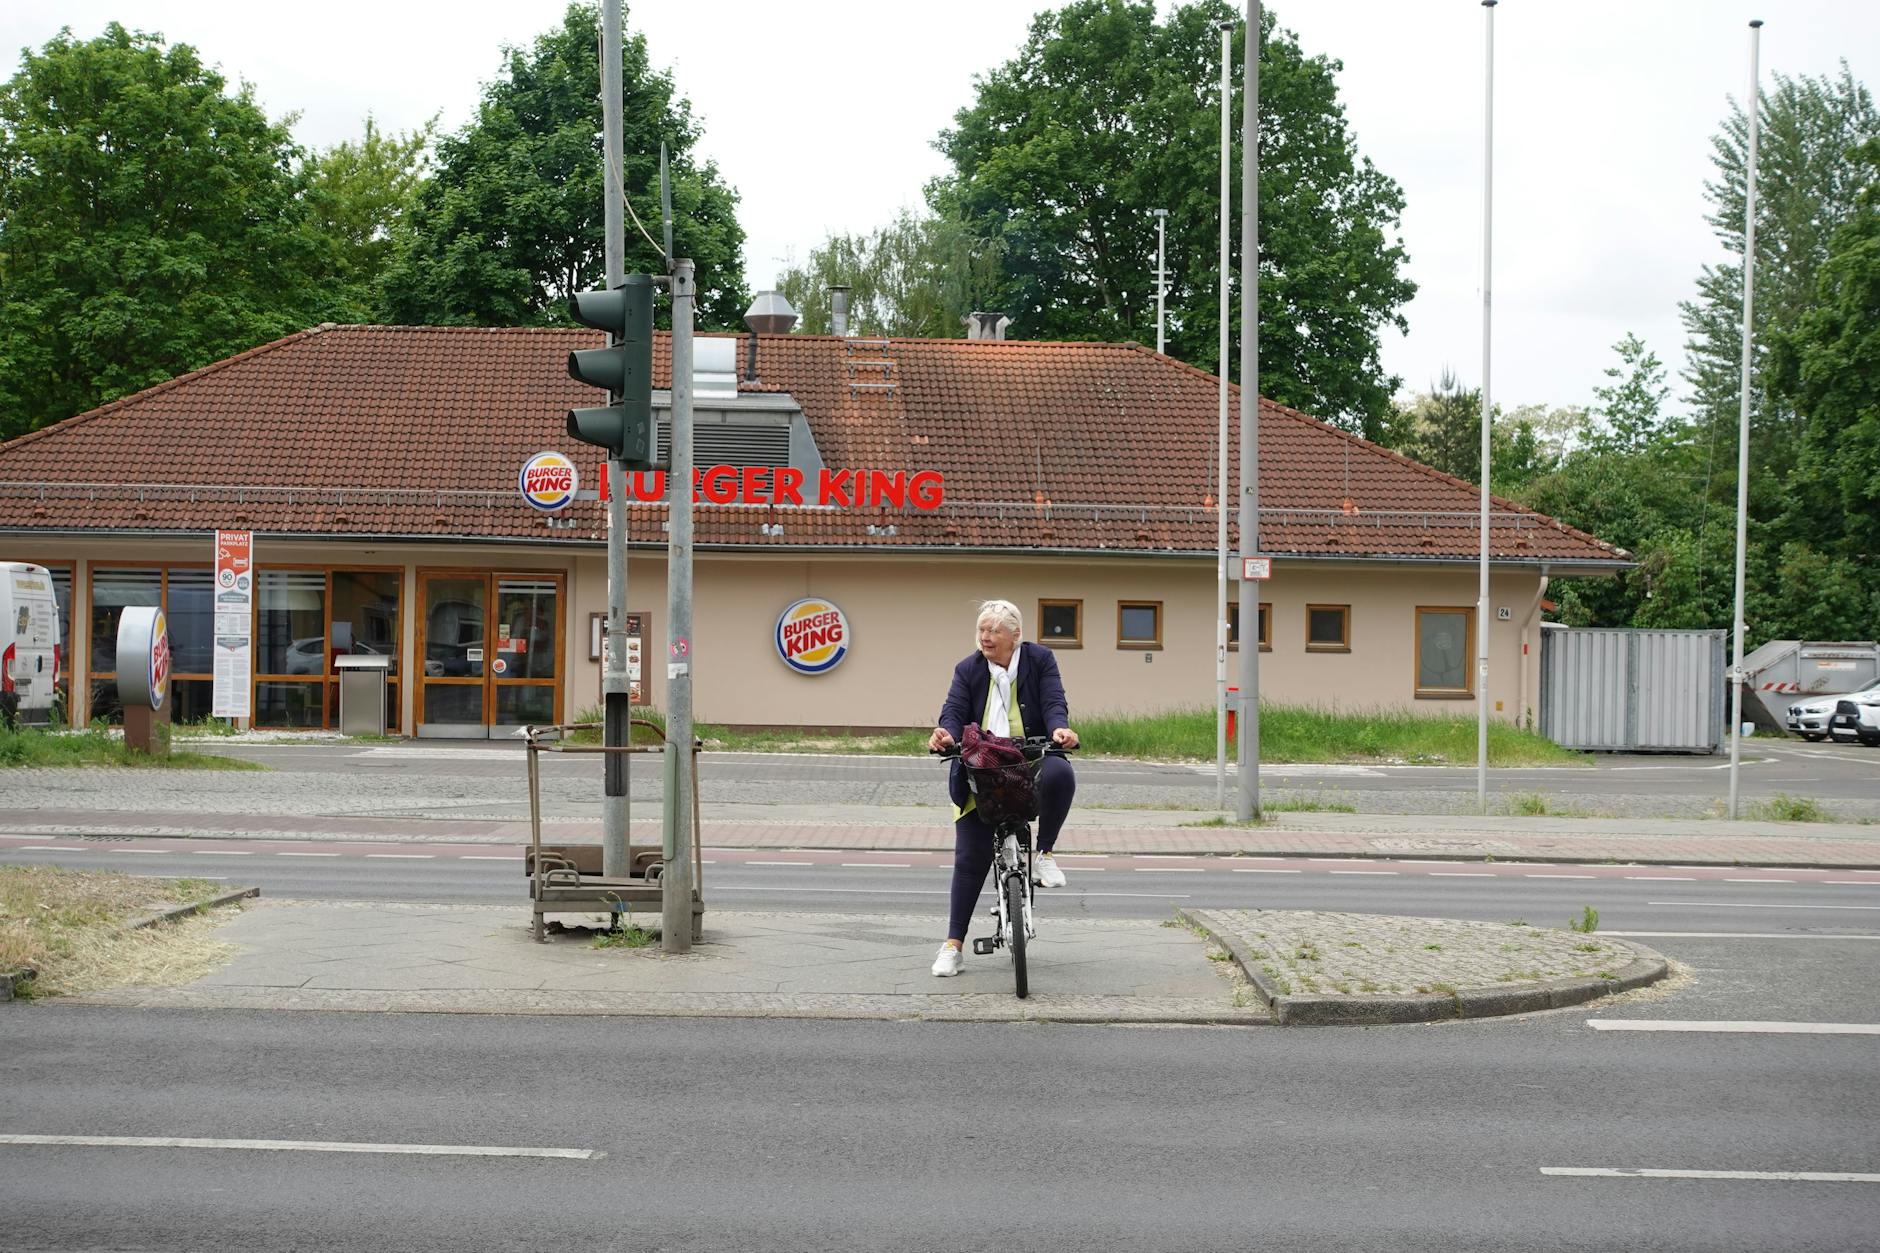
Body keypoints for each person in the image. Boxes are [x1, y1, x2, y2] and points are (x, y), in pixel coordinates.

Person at [925, 599, 1079, 977]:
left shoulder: (1040, 660)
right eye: (982, 630)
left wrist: (1060, 728)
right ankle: (952, 945)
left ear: (1016, 635)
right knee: (969, 858)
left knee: (1061, 773)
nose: (985, 637)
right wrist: (944, 734)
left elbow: (1054, 700)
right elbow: (953, 711)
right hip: (982, 763)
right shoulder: (968, 668)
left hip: (1027, 756)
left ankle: (1044, 854)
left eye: (994, 631)